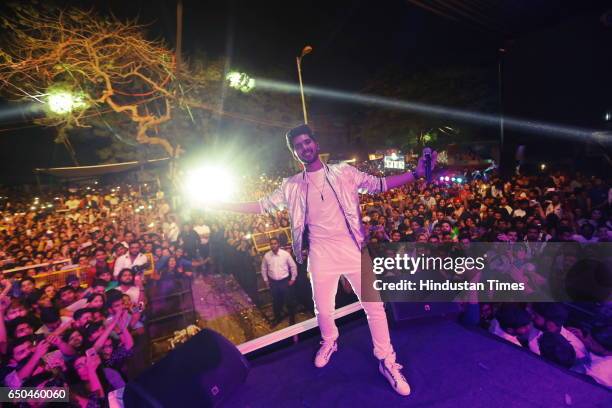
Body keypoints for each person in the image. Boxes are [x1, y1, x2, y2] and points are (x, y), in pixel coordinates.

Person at [209, 124, 436, 396]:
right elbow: (262, 205)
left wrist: (416, 174)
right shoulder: (291, 186)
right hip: (320, 253)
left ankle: (386, 360)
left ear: (315, 143)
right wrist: (222, 204)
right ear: (295, 153)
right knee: (323, 310)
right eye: (298, 146)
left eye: (307, 141)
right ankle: (330, 341)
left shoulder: (345, 172)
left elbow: (379, 185)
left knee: (374, 307)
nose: (305, 147)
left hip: (353, 248)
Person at [261, 237, 298, 325]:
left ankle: (292, 319)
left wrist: (293, 279)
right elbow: (263, 268)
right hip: (273, 283)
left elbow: (293, 266)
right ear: (270, 245)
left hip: (284, 282)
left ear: (278, 244)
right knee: (276, 301)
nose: (273, 245)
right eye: (271, 244)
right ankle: (277, 318)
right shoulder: (267, 256)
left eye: (275, 243)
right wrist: (266, 280)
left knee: (289, 301)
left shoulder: (285, 254)